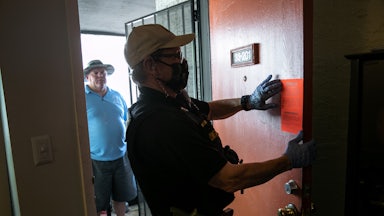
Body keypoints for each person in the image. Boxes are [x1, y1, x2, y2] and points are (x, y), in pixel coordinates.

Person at [123, 24, 316, 216]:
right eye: (174, 56)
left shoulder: (168, 101)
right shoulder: (160, 122)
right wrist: (287, 161)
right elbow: (229, 179)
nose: (182, 63)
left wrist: (248, 101)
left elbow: (209, 110)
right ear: (150, 66)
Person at [84, 60, 138, 216]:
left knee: (121, 197)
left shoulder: (116, 95)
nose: (100, 75)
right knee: (99, 201)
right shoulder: (81, 98)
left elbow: (124, 118)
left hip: (120, 156)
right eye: (96, 73)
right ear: (88, 77)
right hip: (96, 160)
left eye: (103, 73)